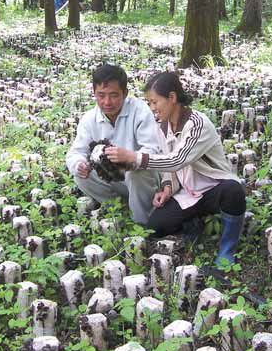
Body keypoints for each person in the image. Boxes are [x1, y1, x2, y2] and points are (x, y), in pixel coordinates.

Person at [106, 72, 246, 266]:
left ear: (172, 97)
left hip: (214, 188)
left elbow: (177, 160)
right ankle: (192, 224)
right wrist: (167, 188)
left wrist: (133, 157)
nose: (152, 108)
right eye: (150, 103)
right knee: (155, 227)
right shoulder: (162, 127)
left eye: (155, 102)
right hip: (188, 193)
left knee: (234, 190)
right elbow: (168, 166)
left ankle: (227, 249)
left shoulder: (197, 123)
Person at [66, 64, 160, 225]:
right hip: (112, 178)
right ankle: (118, 207)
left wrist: (130, 159)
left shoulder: (140, 111)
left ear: (125, 93)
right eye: (101, 95)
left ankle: (142, 221)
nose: (107, 102)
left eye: (114, 95)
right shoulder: (89, 119)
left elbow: (152, 150)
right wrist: (79, 164)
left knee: (136, 173)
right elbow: (76, 152)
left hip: (143, 179)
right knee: (81, 176)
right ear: (94, 93)